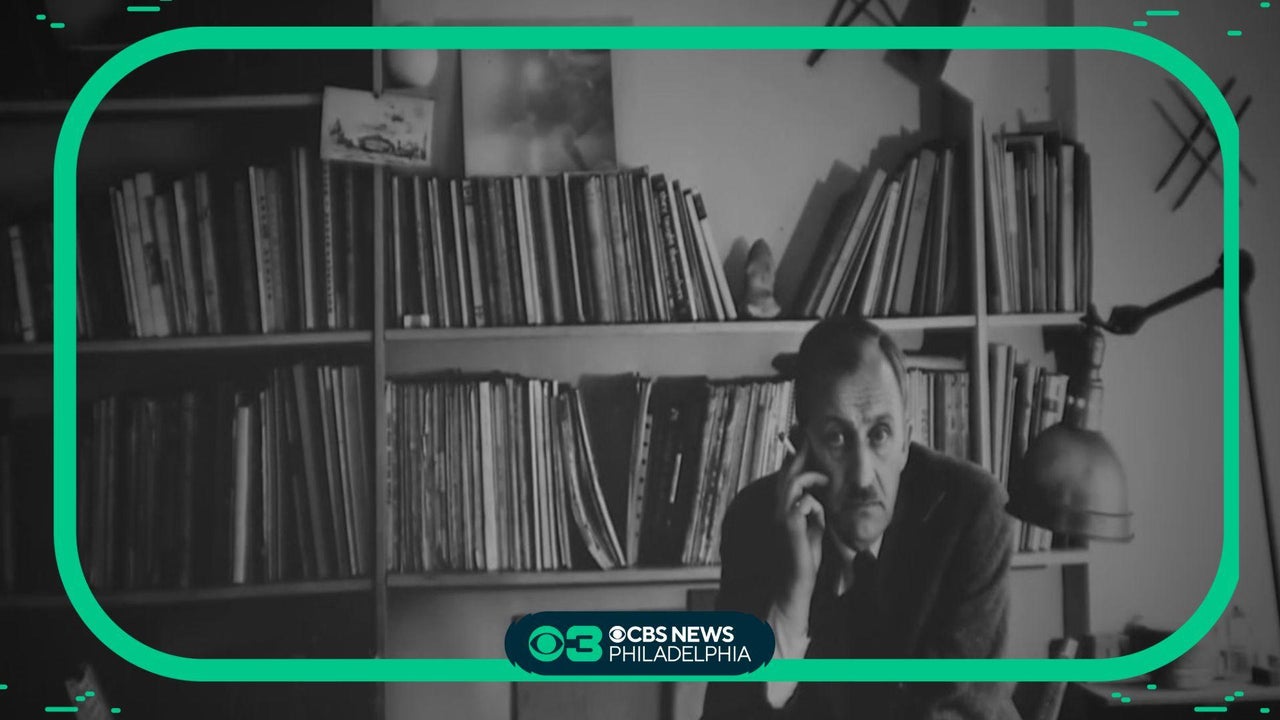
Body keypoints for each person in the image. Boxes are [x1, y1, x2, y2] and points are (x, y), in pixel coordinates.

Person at [702, 315, 1018, 720]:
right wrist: (792, 598)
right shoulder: (755, 522)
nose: (863, 476)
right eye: (836, 438)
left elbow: (951, 710)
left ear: (905, 442)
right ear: (800, 449)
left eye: (880, 434)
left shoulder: (971, 510)